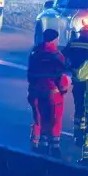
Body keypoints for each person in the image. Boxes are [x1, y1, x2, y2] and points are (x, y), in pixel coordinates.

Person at [26, 28, 71, 157]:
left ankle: (40, 144)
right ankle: (55, 147)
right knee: (55, 119)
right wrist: (63, 89)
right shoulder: (57, 55)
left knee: (40, 117)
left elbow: (30, 74)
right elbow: (60, 76)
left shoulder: (35, 52)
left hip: (35, 91)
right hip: (53, 93)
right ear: (55, 39)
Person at [63, 25, 88, 136]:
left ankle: (77, 131)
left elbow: (62, 56)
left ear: (81, 33)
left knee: (79, 106)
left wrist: (69, 67)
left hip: (77, 81)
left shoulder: (72, 44)